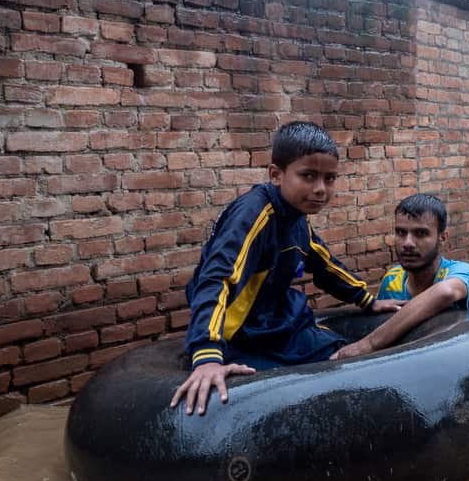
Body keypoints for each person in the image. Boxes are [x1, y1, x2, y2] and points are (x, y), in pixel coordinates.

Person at [170, 121, 404, 415]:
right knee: (267, 391)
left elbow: (323, 263)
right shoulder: (254, 215)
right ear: (276, 175)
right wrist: (206, 356)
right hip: (242, 330)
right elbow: (217, 278)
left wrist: (367, 300)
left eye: (329, 178)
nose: (320, 189)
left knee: (340, 353)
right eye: (308, 176)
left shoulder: (297, 218)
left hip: (280, 320)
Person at [331, 193, 469, 360]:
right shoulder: (393, 280)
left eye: (421, 233)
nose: (408, 243)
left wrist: (368, 344)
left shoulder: (461, 272)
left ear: (442, 238)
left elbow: (446, 292)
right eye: (401, 232)